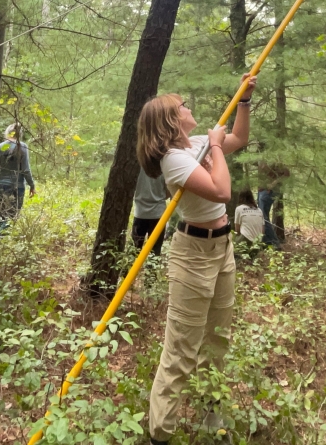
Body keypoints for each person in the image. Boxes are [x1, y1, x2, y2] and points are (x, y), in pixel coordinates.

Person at [137, 74, 256, 445]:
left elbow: (239, 138)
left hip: (223, 249)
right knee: (181, 349)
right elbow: (222, 192)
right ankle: (160, 433)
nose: (188, 108)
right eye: (182, 105)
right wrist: (217, 148)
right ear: (171, 120)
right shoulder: (173, 159)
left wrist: (244, 102)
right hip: (192, 256)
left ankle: (209, 418)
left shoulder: (201, 143)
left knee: (217, 339)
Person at [0, 123, 36, 232]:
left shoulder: (0, 146)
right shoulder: (23, 147)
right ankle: (7, 237)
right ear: (20, 134)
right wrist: (32, 185)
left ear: (7, 132)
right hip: (18, 185)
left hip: (2, 184)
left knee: (1, 212)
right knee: (13, 213)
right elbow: (26, 169)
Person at [132, 169, 171, 256]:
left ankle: (133, 269)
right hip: (158, 214)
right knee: (155, 252)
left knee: (135, 249)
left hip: (140, 213)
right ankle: (152, 269)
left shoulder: (137, 167)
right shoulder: (163, 167)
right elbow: (168, 192)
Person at [257, 157, 290, 247]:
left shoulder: (274, 158)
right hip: (261, 190)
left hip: (268, 191)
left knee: (263, 217)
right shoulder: (261, 157)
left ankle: (275, 243)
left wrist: (273, 184)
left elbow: (286, 173)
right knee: (262, 216)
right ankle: (266, 241)